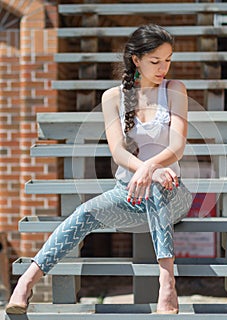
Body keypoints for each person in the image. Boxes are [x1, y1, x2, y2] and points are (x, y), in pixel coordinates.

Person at [5, 24, 193, 315]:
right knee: (83, 213)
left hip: (170, 192)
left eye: (168, 60)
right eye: (156, 61)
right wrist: (146, 170)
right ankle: (26, 283)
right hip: (127, 194)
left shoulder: (175, 90)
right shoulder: (113, 97)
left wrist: (152, 170)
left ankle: (166, 281)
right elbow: (118, 151)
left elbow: (177, 147)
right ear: (136, 60)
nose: (163, 68)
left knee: (156, 186)